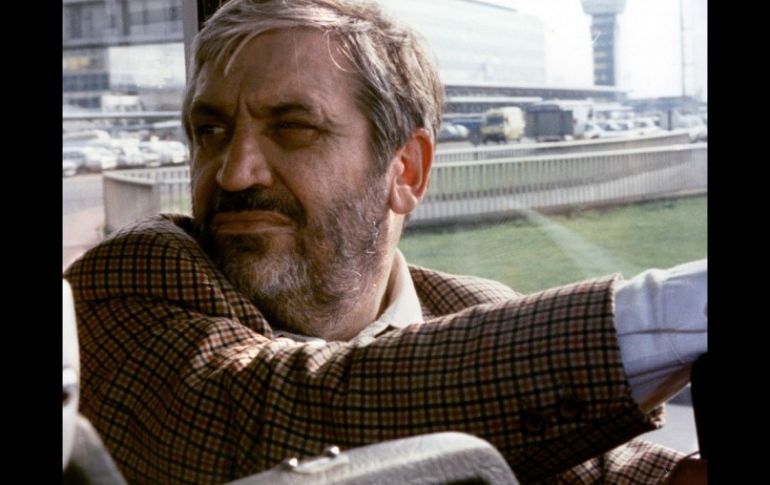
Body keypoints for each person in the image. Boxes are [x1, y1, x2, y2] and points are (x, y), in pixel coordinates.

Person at [63, 0, 707, 483]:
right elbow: (290, 415)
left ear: (406, 172)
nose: (234, 172)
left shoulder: (469, 309)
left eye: (292, 127)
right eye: (211, 131)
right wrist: (679, 309)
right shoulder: (130, 279)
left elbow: (604, 471)